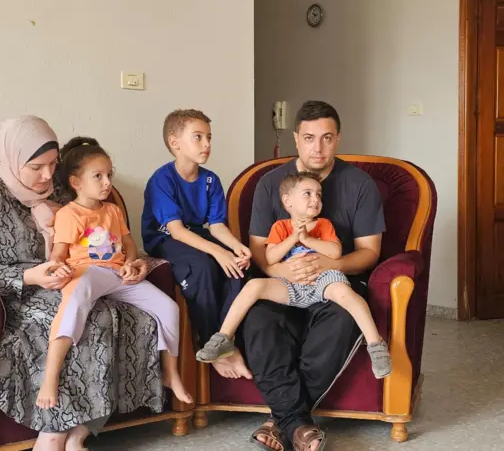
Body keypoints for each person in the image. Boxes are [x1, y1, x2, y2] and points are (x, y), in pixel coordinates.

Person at [0, 116, 166, 451]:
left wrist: (130, 261)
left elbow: (102, 238)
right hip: (13, 293)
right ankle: (52, 434)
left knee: (112, 313)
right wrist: (28, 276)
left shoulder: (61, 190)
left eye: (53, 165)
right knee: (69, 320)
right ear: (11, 158)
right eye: (37, 167)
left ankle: (80, 430)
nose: (48, 176)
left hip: (76, 279)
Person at [244, 101, 385, 451]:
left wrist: (328, 266)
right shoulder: (270, 184)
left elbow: (370, 252)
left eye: (326, 138)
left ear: (337, 139)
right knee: (258, 319)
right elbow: (260, 252)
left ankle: (281, 420)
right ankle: (298, 424)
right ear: (295, 139)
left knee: (340, 319)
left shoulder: (359, 184)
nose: (317, 148)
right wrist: (283, 270)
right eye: (309, 138)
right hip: (283, 283)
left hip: (334, 285)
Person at [36, 136, 192, 410]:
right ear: (76, 183)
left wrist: (132, 264)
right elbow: (59, 252)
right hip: (86, 272)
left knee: (168, 308)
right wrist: (57, 266)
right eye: (98, 176)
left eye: (109, 175)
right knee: (75, 301)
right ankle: (50, 377)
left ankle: (171, 373)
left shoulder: (113, 211)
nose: (107, 182)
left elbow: (129, 246)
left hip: (118, 275)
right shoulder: (69, 214)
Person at [195, 171, 391, 380]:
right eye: (308, 194)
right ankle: (224, 338)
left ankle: (375, 345)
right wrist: (293, 238)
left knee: (345, 293)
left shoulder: (324, 225)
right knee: (253, 287)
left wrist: (307, 239)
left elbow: (335, 252)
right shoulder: (280, 227)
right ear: (287, 202)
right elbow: (270, 257)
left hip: (322, 281)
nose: (315, 199)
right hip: (290, 284)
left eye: (319, 194)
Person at [142, 109, 253, 379]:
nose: (207, 144)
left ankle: (225, 339)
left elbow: (216, 226)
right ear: (175, 143)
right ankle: (208, 342)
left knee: (239, 266)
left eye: (209, 138)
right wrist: (217, 251)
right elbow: (177, 231)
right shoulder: (162, 179)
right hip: (167, 238)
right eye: (198, 137)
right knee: (204, 265)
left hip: (196, 234)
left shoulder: (210, 180)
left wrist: (236, 248)